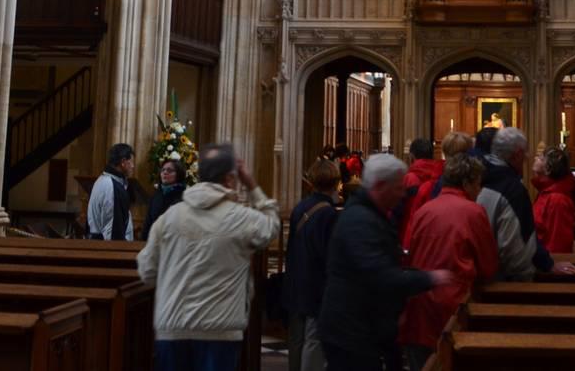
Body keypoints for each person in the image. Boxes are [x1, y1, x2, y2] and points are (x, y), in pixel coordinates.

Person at [136, 143, 278, 371]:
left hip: (172, 328)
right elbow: (271, 227)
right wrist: (251, 185)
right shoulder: (241, 218)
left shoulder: (169, 217)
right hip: (219, 330)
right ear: (230, 179)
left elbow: (147, 271)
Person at [319, 154, 450, 371]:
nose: (402, 194)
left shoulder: (372, 214)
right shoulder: (360, 220)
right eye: (398, 188)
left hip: (364, 327)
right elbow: (379, 274)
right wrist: (429, 278)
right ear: (380, 186)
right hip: (351, 331)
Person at [399, 154, 499, 371]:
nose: (479, 190)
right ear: (466, 183)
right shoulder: (473, 212)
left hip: (420, 306)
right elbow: (488, 265)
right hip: (454, 308)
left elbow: (409, 253)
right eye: (478, 184)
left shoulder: (424, 210)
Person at [478, 127, 575, 280]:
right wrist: (546, 264)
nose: (529, 157)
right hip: (510, 276)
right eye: (526, 153)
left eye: (540, 157)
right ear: (517, 154)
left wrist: (548, 264)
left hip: (490, 268)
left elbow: (554, 239)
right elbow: (520, 237)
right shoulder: (513, 189)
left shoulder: (479, 178)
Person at [285, 159, 341, 371]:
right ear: (335, 183)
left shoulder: (300, 207)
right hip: (316, 284)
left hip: (296, 280)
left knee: (296, 339)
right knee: (313, 340)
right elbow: (329, 255)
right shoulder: (328, 213)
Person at [396, 138, 443, 247]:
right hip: (435, 234)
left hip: (410, 232)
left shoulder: (409, 179)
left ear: (412, 156)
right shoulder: (440, 177)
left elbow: (399, 211)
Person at [87, 143, 136, 241]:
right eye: (131, 162)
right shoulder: (112, 187)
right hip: (108, 247)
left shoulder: (101, 180)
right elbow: (113, 230)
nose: (133, 166)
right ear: (123, 162)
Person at [533, 146, 575, 254]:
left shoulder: (557, 200)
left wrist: (549, 262)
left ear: (549, 168)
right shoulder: (546, 192)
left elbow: (557, 242)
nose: (535, 158)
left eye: (540, 158)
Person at [143, 158, 187, 239]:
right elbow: (148, 224)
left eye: (169, 170)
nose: (165, 172)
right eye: (163, 170)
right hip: (154, 241)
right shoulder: (156, 196)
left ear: (179, 174)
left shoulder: (184, 197)